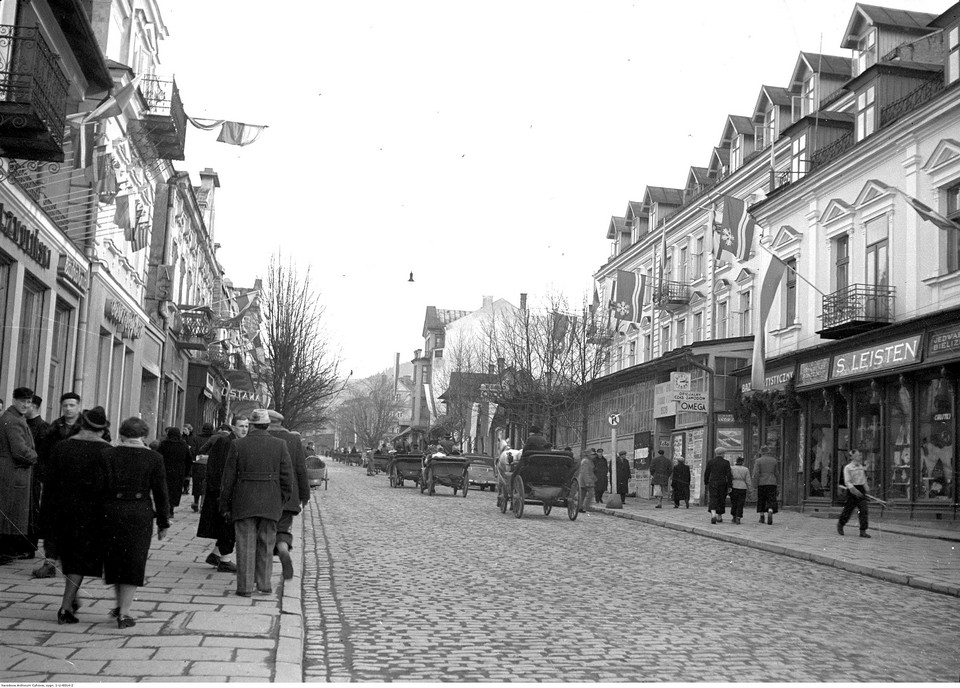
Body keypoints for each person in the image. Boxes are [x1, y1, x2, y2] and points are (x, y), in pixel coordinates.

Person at [99, 417, 170, 628]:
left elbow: (99, 487)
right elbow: (161, 492)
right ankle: (125, 613)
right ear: (144, 435)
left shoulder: (107, 454)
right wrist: (163, 522)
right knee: (134, 560)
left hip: (111, 511)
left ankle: (119, 604)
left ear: (122, 434)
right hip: (140, 513)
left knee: (114, 559)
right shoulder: (154, 458)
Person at [42, 406, 111, 624]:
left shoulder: (62, 447)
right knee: (78, 560)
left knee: (68, 556)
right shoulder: (107, 451)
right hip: (91, 513)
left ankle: (73, 599)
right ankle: (65, 608)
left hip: (59, 509)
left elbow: (49, 480)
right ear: (102, 430)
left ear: (81, 424)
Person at [220, 408, 293, 597]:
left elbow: (228, 479)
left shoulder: (238, 445)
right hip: (270, 501)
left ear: (251, 425)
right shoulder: (280, 445)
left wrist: (225, 505)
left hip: (244, 501)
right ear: (268, 425)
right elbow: (287, 478)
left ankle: (244, 587)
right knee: (267, 543)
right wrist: (281, 499)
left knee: (244, 544)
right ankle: (264, 584)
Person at [32, 392, 83, 578]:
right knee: (52, 523)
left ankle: (77, 563)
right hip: (56, 485)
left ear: (78, 406)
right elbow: (43, 454)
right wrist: (46, 476)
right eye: (65, 406)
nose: (68, 409)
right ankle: (50, 562)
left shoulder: (88, 427)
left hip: (81, 486)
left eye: (72, 405)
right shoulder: (54, 428)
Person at [197, 418, 248, 572]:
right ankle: (224, 560)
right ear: (233, 427)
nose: (244, 429)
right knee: (227, 525)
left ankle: (216, 554)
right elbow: (219, 468)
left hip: (227, 490)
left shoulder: (237, 442)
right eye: (241, 426)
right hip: (222, 491)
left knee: (227, 525)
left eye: (247, 426)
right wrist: (222, 491)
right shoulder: (226, 442)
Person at [266, 410, 309, 581]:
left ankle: (263, 571)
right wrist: (304, 495)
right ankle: (283, 549)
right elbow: (301, 469)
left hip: (265, 494)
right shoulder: (293, 439)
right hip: (289, 495)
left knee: (264, 530)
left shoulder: (259, 437)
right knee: (282, 528)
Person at [0, 388, 39, 564]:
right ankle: (5, 551)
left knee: (10, 512)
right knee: (11, 513)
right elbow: (20, 451)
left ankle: (7, 550)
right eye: (22, 401)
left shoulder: (14, 418)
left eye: (29, 402)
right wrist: (35, 456)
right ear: (14, 400)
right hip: (14, 473)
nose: (25, 405)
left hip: (13, 473)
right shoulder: (13, 420)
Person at [158, 427, 191, 520]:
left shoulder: (164, 444)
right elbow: (188, 459)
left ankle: (166, 507)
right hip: (178, 471)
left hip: (165, 470)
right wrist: (186, 472)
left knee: (165, 489)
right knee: (175, 490)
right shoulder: (183, 445)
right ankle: (171, 508)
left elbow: (158, 457)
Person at [837, 449, 871, 538]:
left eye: (859, 455)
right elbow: (847, 482)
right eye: (858, 455)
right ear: (853, 457)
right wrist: (855, 491)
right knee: (848, 510)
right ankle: (841, 524)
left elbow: (863, 479)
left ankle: (863, 530)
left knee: (864, 510)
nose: (860, 457)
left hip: (861, 488)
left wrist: (866, 488)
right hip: (852, 490)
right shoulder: (848, 468)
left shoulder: (860, 467)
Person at [190, 423, 215, 512]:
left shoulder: (196, 438)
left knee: (197, 484)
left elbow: (192, 450)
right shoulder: (214, 438)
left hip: (198, 464)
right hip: (209, 464)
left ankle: (196, 502)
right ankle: (203, 504)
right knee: (206, 484)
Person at [704, 448, 733, 524]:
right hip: (722, 483)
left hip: (713, 482)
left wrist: (706, 482)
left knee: (713, 497)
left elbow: (707, 473)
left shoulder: (711, 462)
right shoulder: (726, 462)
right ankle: (719, 516)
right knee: (721, 498)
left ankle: (713, 514)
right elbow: (729, 475)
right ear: (723, 454)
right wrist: (730, 485)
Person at [753, 445, 780, 525]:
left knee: (761, 498)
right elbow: (777, 473)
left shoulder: (758, 461)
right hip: (772, 482)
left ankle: (762, 516)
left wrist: (755, 484)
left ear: (761, 452)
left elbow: (756, 473)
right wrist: (778, 483)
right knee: (771, 498)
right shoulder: (774, 460)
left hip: (761, 482)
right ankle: (770, 510)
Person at [729, 456, 750, 524]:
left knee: (734, 502)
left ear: (736, 461)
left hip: (734, 486)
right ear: (742, 462)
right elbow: (748, 480)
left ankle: (734, 515)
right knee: (740, 503)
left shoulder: (732, 468)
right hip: (742, 487)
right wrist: (749, 487)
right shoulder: (746, 469)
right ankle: (739, 516)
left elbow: (729, 477)